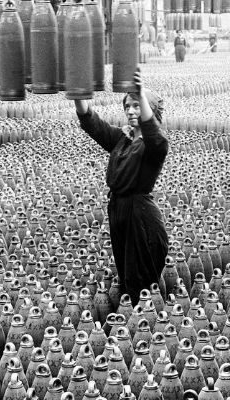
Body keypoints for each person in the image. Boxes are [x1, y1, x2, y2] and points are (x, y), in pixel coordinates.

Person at [73, 69, 169, 306]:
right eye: (127, 107)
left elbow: (153, 132)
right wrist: (76, 92)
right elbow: (91, 123)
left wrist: (141, 93)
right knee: (127, 276)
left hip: (140, 217)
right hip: (119, 212)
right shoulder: (122, 139)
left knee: (141, 281)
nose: (130, 111)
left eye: (136, 105)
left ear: (150, 109)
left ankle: (145, 326)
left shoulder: (155, 145)